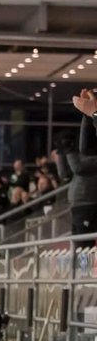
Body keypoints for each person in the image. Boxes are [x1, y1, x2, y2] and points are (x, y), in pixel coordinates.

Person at [68, 89, 97, 237]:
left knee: (84, 246)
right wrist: (88, 114)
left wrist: (94, 113)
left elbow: (79, 165)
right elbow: (87, 148)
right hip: (81, 206)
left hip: (88, 204)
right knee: (81, 250)